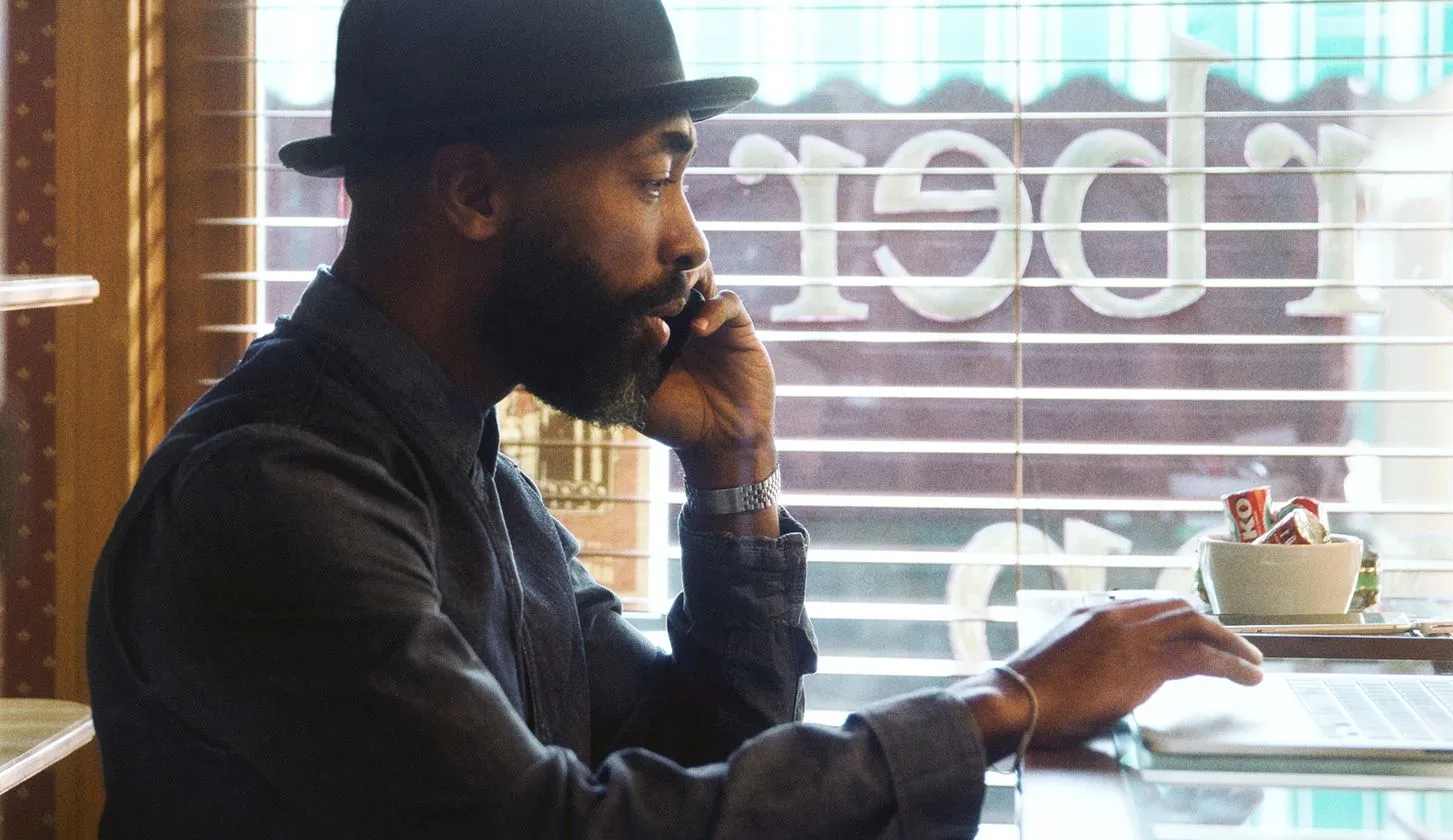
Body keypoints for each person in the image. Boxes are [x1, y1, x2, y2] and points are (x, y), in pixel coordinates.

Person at [85, 0, 1265, 837]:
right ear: (476, 193)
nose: (689, 239)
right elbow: (544, 829)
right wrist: (1003, 700)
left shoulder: (469, 470)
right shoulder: (277, 491)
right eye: (654, 178)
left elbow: (701, 757)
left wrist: (734, 472)